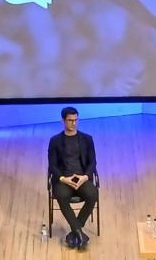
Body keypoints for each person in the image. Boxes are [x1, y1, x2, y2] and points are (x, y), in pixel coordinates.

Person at [48, 107, 98, 249]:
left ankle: (75, 231)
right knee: (62, 196)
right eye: (70, 120)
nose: (73, 123)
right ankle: (79, 233)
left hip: (81, 177)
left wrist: (85, 177)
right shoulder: (55, 141)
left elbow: (92, 162)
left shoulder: (87, 139)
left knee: (92, 194)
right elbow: (52, 165)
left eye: (76, 120)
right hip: (63, 179)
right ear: (63, 121)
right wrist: (63, 179)